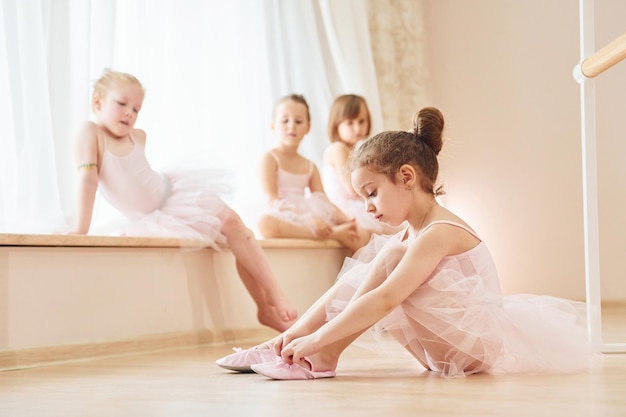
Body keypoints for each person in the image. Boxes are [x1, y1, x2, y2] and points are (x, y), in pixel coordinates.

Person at [216, 106, 598, 379]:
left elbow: (384, 299)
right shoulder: (410, 232)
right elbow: (357, 290)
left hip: (470, 351)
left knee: (391, 258)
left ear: (406, 177)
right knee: (379, 260)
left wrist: (318, 336)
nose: (368, 207)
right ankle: (288, 342)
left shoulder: (440, 232)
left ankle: (322, 353)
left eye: (372, 193)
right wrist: (300, 334)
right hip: (442, 350)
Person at [70, 69, 297, 332]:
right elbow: (88, 180)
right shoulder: (90, 132)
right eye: (121, 104)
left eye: (136, 108)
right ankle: (271, 303)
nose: (129, 113)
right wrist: (80, 230)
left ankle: (269, 304)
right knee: (240, 235)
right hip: (156, 215)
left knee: (241, 235)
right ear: (97, 102)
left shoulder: (138, 136)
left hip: (175, 195)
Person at [257, 94, 363, 253]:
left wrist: (345, 218)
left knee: (352, 228)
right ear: (273, 126)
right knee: (265, 223)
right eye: (285, 121)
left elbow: (323, 200)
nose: (292, 126)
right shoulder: (270, 158)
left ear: (308, 127)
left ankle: (329, 232)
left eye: (298, 121)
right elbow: (272, 198)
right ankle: (333, 234)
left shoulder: (310, 166)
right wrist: (307, 220)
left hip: (308, 214)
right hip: (285, 214)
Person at [322, 94, 402, 241]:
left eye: (361, 121)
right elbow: (353, 189)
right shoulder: (338, 148)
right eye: (350, 123)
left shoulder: (358, 151)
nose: (357, 128)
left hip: (355, 204)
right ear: (336, 125)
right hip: (344, 208)